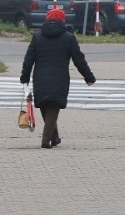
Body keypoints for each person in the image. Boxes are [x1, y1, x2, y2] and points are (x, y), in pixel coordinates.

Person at [20, 8, 96, 148]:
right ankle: (45, 140)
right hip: (59, 79)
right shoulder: (68, 37)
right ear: (63, 20)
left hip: (40, 79)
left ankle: (54, 138)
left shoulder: (37, 37)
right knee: (53, 108)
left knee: (46, 106)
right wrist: (88, 77)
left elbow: (28, 59)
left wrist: (24, 77)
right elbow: (79, 59)